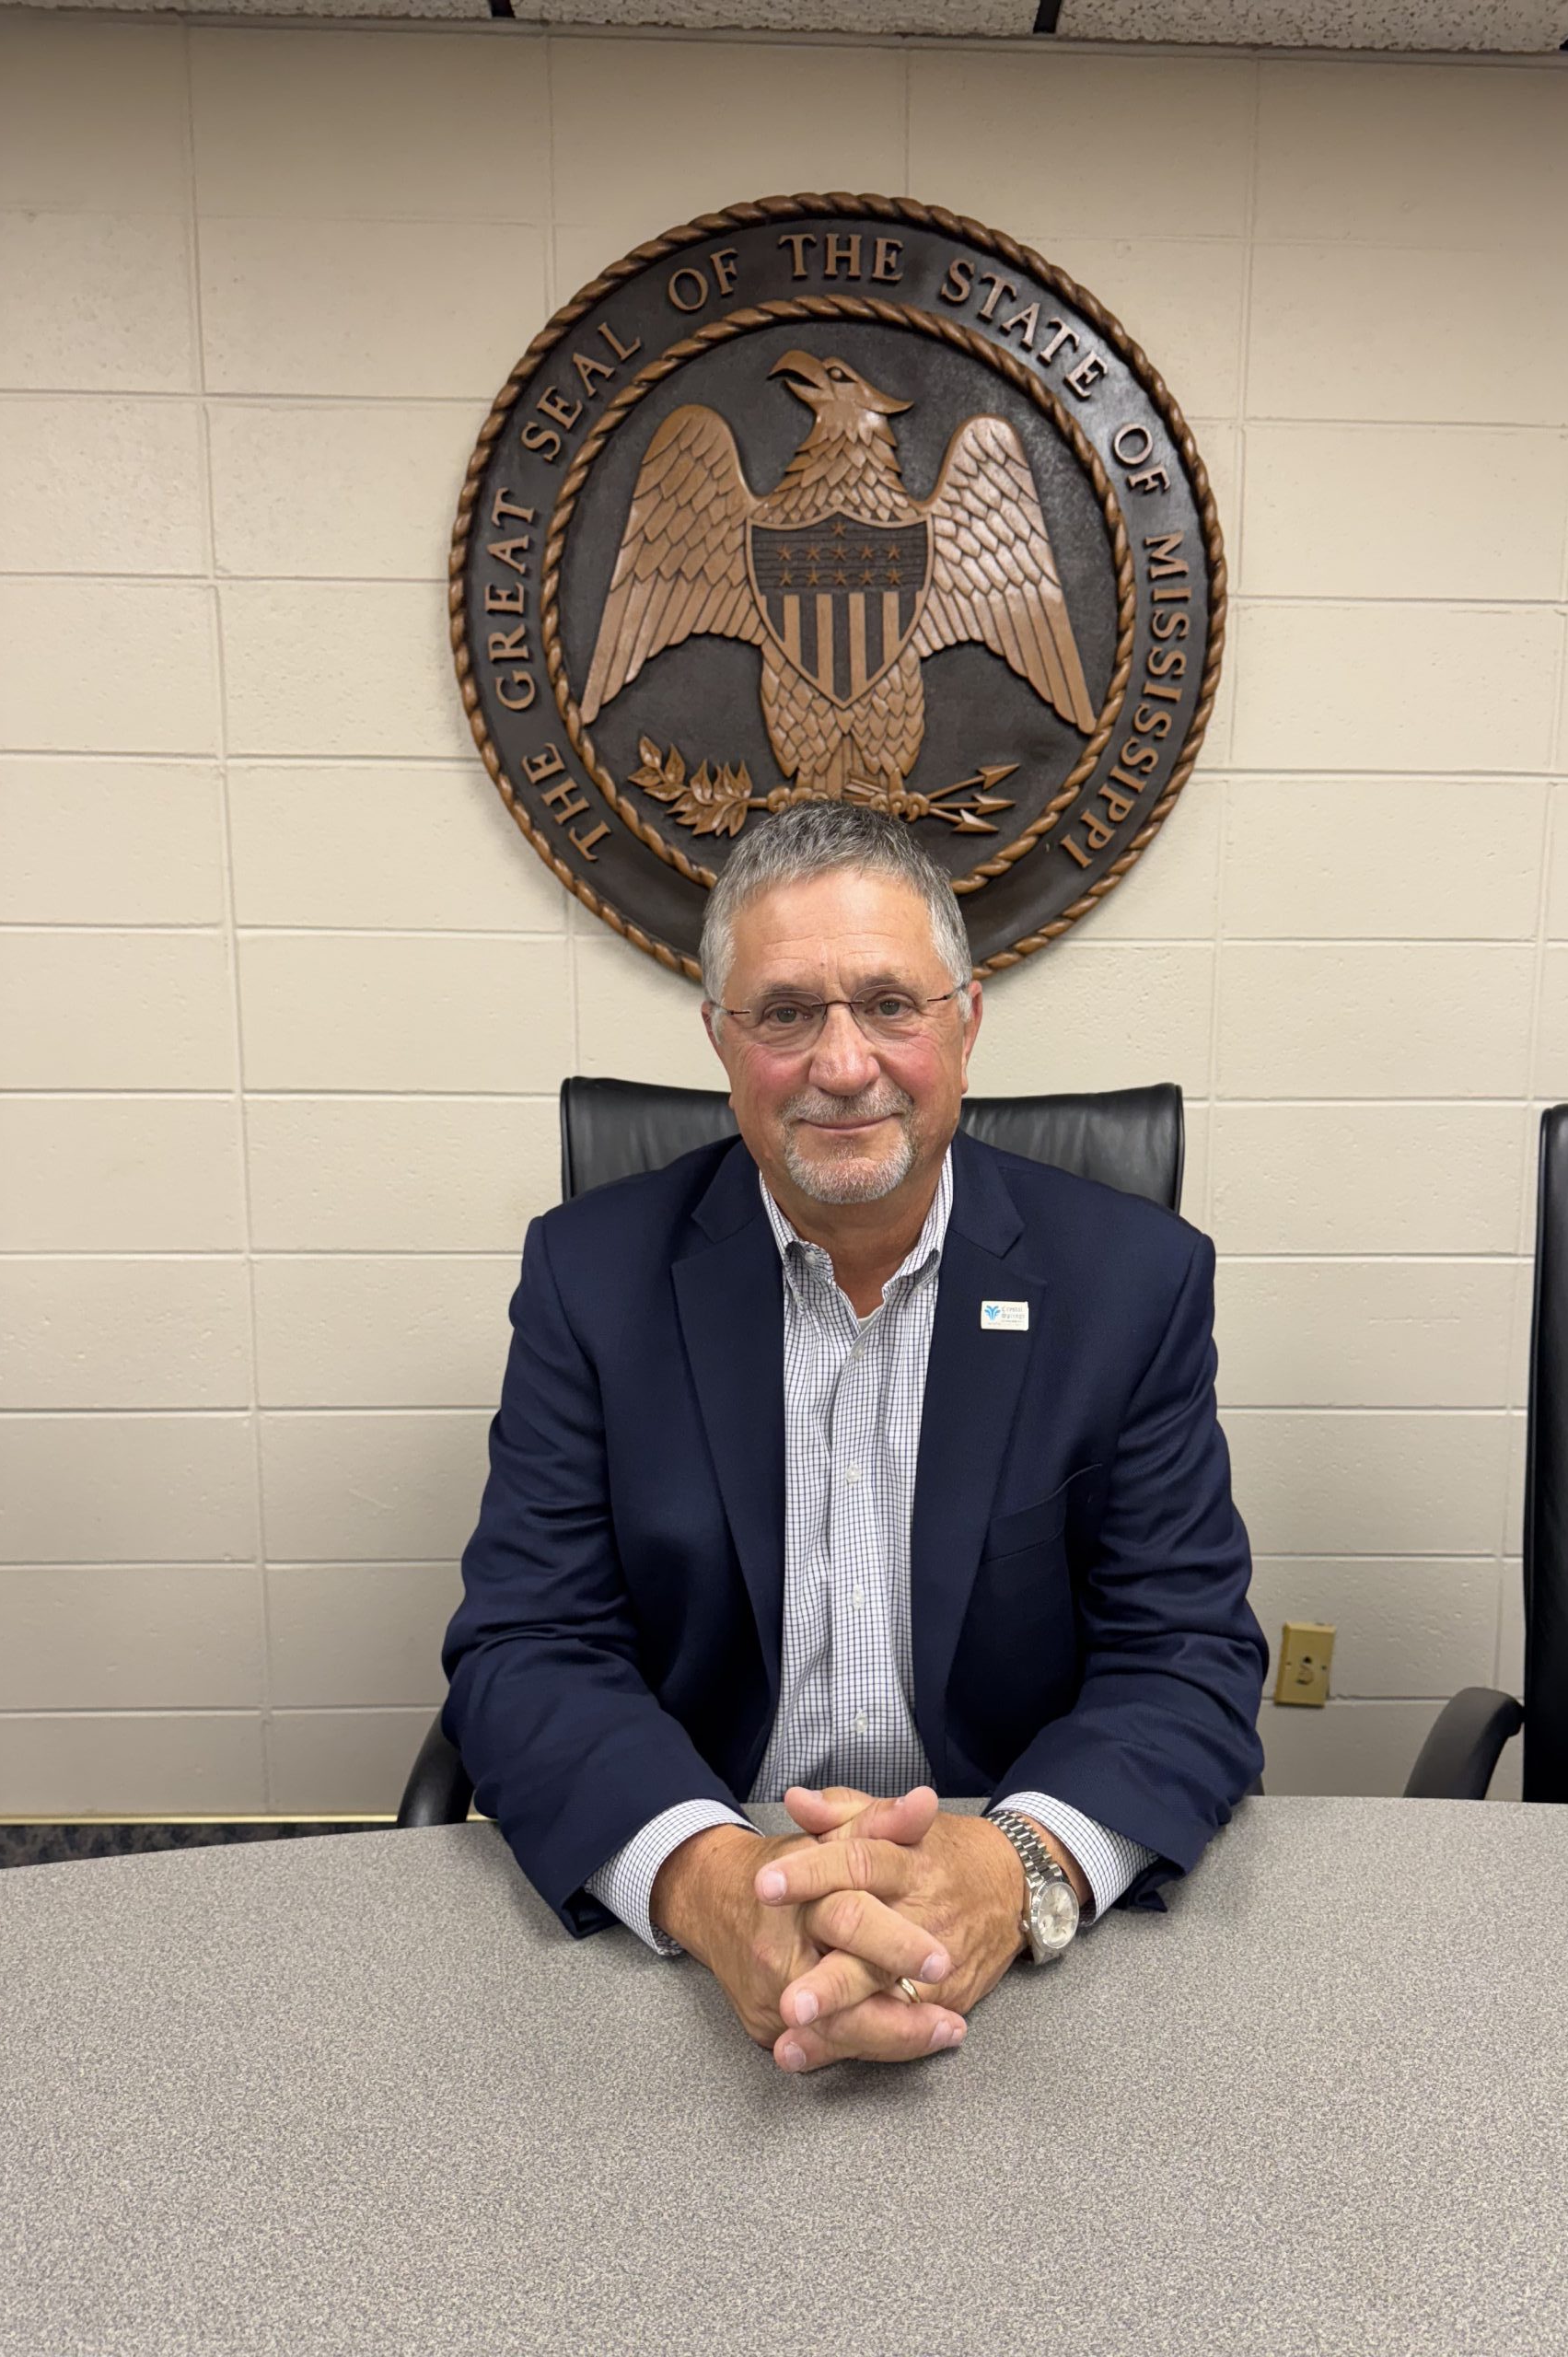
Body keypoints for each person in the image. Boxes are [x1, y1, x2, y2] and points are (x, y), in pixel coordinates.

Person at [443, 805, 1265, 2073]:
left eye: (889, 1005)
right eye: (785, 1014)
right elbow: (530, 1646)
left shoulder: (1132, 1284)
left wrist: (1010, 1870)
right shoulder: (588, 1278)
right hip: (693, 1929)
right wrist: (717, 1884)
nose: (841, 1064)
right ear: (721, 1039)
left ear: (966, 1025)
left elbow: (1184, 1654)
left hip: (1024, 1944)